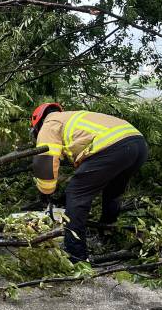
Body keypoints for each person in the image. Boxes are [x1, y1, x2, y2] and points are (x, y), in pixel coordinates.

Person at [30, 103, 148, 263]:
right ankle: (107, 232)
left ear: (37, 124)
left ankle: (76, 255)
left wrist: (46, 193)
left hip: (114, 146)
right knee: (113, 191)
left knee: (76, 194)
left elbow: (46, 162)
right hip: (138, 145)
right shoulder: (71, 117)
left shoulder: (50, 124)